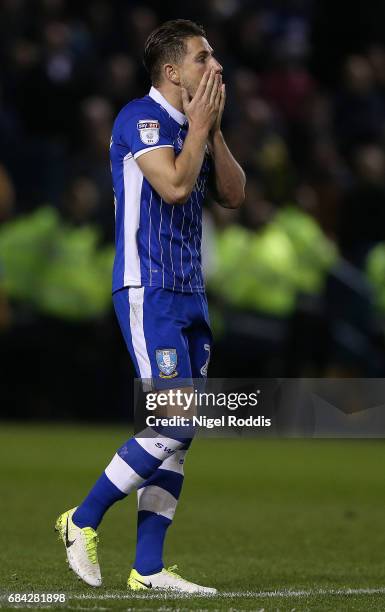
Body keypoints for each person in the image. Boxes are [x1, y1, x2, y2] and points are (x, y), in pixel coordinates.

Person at [55, 19, 245, 593]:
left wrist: (211, 131)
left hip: (191, 295)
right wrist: (199, 129)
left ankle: (148, 567)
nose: (215, 67)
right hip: (149, 290)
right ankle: (80, 519)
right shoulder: (140, 119)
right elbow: (176, 186)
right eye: (202, 58)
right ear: (172, 70)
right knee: (173, 420)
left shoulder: (193, 125)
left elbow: (234, 194)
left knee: (179, 436)